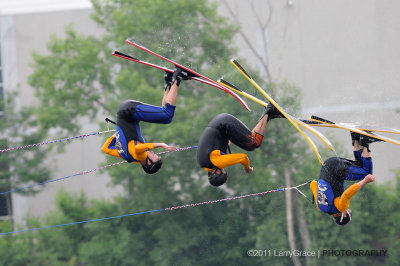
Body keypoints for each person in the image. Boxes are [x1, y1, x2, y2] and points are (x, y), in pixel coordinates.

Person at [101, 67, 193, 174]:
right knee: (163, 113)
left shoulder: (140, 156)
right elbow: (105, 148)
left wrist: (161, 145)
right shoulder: (128, 157)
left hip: (129, 111)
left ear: (149, 164)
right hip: (126, 111)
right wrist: (117, 135)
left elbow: (139, 148)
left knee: (167, 116)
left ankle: (178, 76)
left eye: (155, 157)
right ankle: (168, 81)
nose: (154, 153)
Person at [196, 103, 285, 186]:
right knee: (250, 146)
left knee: (254, 143)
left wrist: (247, 168)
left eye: (223, 170)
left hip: (224, 124)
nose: (223, 168)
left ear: (218, 172)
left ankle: (269, 110)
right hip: (222, 126)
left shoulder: (216, 162)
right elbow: (213, 145)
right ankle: (269, 115)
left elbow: (243, 157)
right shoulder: (204, 163)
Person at [310, 132, 381, 225]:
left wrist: (365, 181)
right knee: (360, 166)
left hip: (335, 169)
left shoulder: (341, 208)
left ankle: (365, 141)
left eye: (348, 212)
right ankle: (356, 139)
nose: (347, 209)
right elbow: (313, 184)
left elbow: (347, 194)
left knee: (367, 173)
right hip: (327, 165)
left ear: (344, 215)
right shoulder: (321, 207)